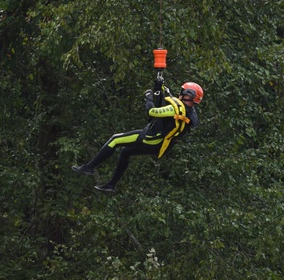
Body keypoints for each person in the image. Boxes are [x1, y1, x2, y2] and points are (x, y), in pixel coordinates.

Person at [72, 74, 202, 193]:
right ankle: (110, 185)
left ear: (187, 94)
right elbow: (169, 99)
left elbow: (152, 111)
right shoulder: (190, 113)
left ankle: (89, 167)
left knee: (115, 139)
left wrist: (149, 97)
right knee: (125, 152)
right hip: (160, 147)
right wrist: (160, 86)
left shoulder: (175, 110)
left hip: (150, 139)